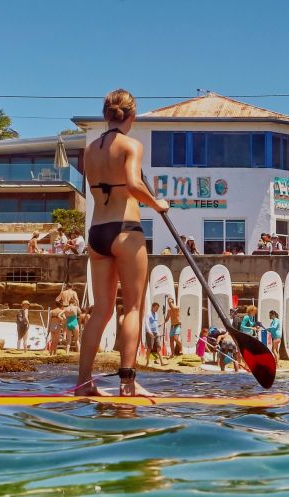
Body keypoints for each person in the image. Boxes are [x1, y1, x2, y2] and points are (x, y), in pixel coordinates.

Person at [76, 89, 169, 397]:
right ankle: (127, 383)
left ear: (106, 115)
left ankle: (84, 383)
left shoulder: (89, 150)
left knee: (101, 310)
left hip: (97, 232)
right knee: (133, 308)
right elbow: (131, 183)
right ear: (132, 115)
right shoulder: (132, 145)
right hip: (126, 230)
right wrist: (157, 204)